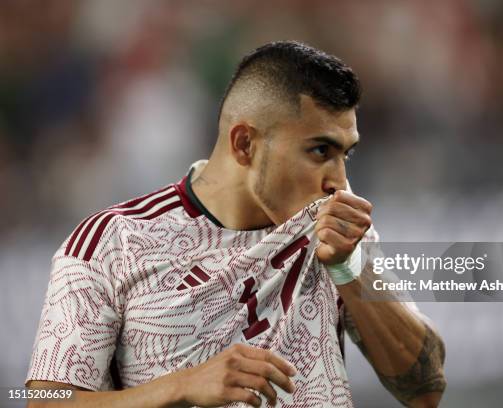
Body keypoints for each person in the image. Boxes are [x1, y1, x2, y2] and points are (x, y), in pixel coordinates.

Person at [25, 41, 446, 407]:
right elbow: (40, 399)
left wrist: (349, 269)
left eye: (345, 155)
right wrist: (180, 386)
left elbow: (424, 390)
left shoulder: (337, 232)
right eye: (320, 151)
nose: (339, 181)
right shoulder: (110, 243)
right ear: (244, 144)